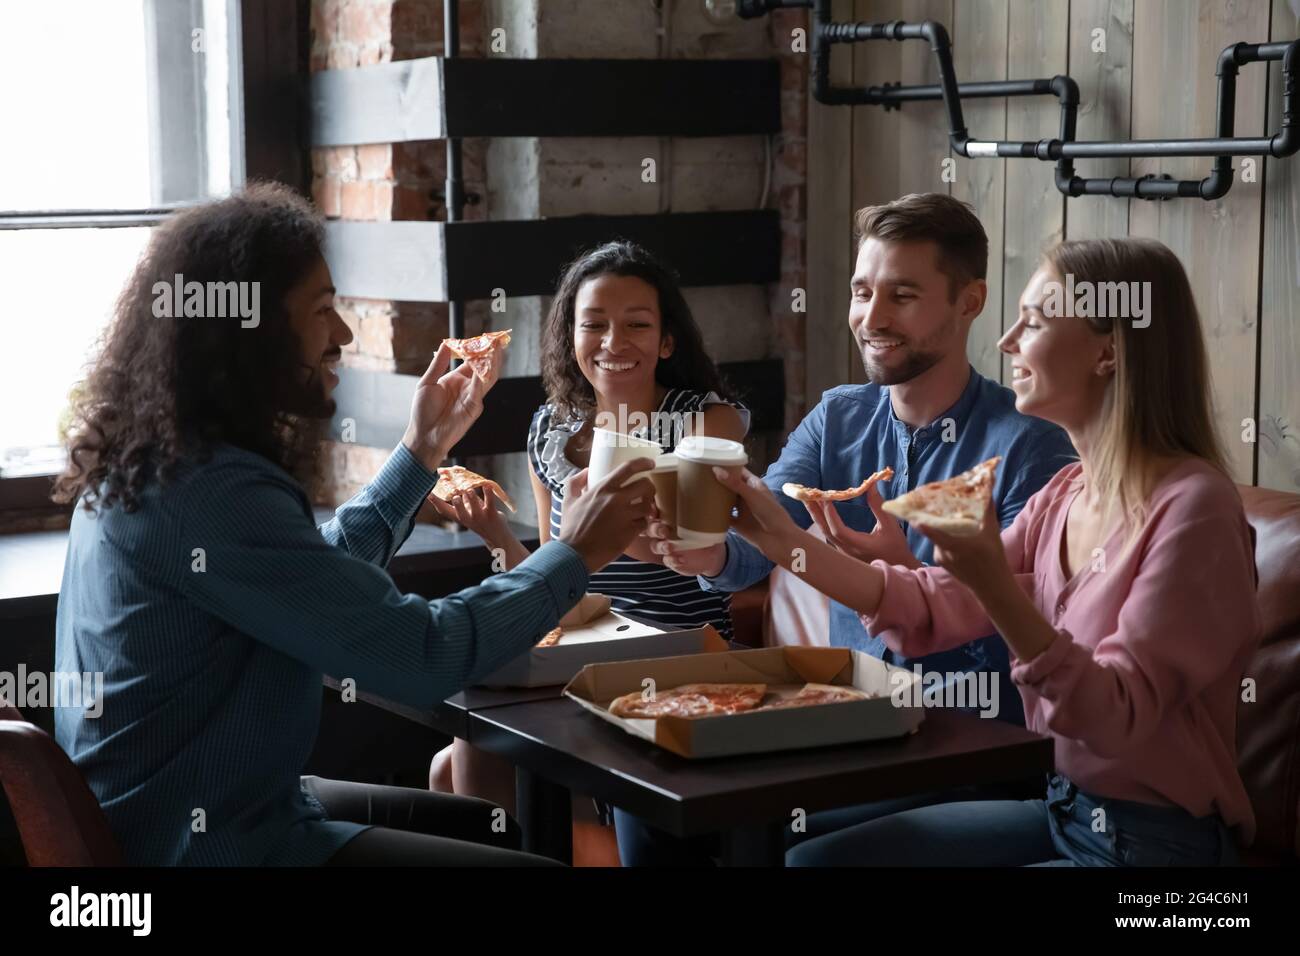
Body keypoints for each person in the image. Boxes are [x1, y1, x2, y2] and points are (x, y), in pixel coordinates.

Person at [52, 183, 655, 866]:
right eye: (321, 311)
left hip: (200, 815)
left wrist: (421, 452)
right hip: (213, 847)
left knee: (492, 827)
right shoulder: (213, 492)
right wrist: (574, 552)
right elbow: (424, 655)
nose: (340, 334)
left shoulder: (159, 462)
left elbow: (310, 579)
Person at [715, 237, 1257, 866]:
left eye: (1036, 321)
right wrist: (782, 542)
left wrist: (993, 581)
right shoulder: (1067, 492)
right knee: (814, 862)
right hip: (1060, 808)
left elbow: (1114, 716)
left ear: (1109, 350)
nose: (1007, 342)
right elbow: (931, 601)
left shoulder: (1195, 509)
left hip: (1156, 851)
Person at [625, 192, 1075, 865]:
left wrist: (902, 575)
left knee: (763, 835)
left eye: (903, 295)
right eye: (863, 291)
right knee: (650, 804)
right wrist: (700, 544)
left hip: (970, 751)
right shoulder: (839, 417)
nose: (872, 317)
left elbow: (1023, 618)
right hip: (849, 730)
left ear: (969, 301)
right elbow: (758, 542)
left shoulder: (1032, 446)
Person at [427, 241, 748, 817]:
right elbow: (554, 579)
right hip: (577, 657)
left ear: (666, 340)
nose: (613, 343)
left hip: (679, 653)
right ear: (570, 337)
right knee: (455, 757)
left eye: (637, 325)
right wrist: (496, 533)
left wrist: (600, 530)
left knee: (471, 759)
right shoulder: (550, 430)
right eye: (593, 324)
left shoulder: (705, 420)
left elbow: (692, 550)